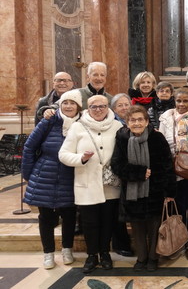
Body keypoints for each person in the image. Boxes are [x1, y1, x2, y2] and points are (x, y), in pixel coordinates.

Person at [59, 95, 123, 273]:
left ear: (108, 107)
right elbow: (63, 154)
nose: (98, 110)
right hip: (86, 184)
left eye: (102, 106)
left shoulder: (118, 126)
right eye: (94, 107)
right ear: (87, 109)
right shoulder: (78, 127)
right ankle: (92, 255)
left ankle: (105, 253)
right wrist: (82, 158)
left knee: (108, 222)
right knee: (89, 223)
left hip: (110, 185)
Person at [22, 89, 82, 269]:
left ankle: (67, 249)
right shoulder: (48, 121)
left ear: (78, 106)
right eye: (65, 102)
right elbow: (29, 147)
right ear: (60, 105)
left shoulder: (83, 123)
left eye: (73, 103)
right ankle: (48, 253)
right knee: (46, 216)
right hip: (45, 174)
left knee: (69, 215)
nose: (69, 106)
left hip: (70, 175)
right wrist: (28, 174)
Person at [111, 105, 176, 272]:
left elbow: (167, 165)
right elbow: (117, 165)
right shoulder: (122, 138)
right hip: (132, 191)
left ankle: (153, 258)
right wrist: (139, 173)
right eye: (133, 120)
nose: (137, 123)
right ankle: (141, 258)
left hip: (155, 191)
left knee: (155, 227)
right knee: (137, 228)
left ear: (147, 122)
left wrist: (168, 191)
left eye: (140, 119)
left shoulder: (157, 138)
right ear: (127, 123)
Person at [159, 88, 188, 261]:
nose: (182, 104)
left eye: (186, 101)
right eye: (178, 101)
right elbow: (162, 143)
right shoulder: (166, 119)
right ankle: (177, 242)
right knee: (176, 209)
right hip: (174, 169)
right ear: (174, 101)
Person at [110, 93, 134, 257]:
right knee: (115, 209)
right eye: (120, 105)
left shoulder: (134, 121)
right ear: (113, 109)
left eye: (127, 104)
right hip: (115, 170)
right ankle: (120, 242)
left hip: (132, 171)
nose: (124, 108)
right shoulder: (112, 124)